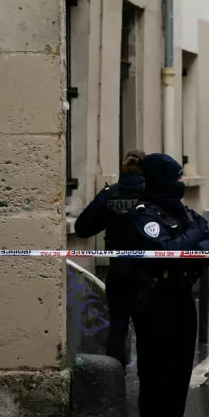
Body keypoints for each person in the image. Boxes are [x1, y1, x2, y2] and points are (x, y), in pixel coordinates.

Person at [119, 153, 209, 417]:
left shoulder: (183, 212)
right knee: (155, 381)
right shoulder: (143, 214)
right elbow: (166, 250)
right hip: (154, 304)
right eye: (176, 177)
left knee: (178, 382)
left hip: (182, 301)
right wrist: (193, 236)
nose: (181, 182)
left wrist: (190, 240)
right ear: (163, 179)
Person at [74, 149, 147, 365]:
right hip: (147, 276)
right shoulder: (152, 195)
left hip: (119, 273)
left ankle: (114, 382)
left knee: (117, 328)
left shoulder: (110, 193)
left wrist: (107, 220)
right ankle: (149, 386)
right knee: (147, 331)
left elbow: (82, 228)